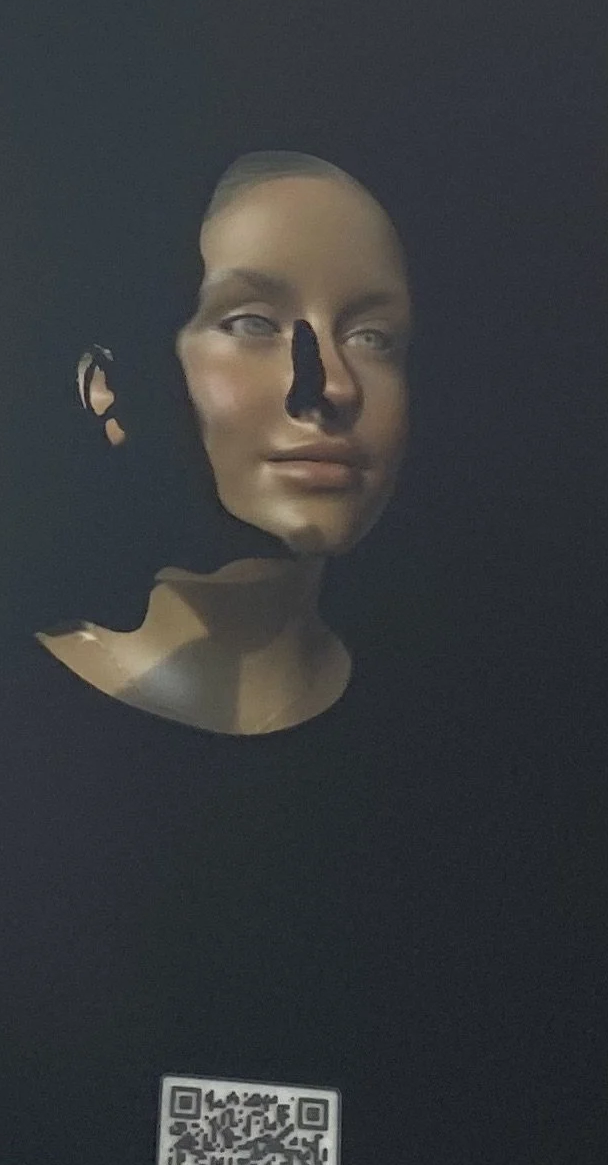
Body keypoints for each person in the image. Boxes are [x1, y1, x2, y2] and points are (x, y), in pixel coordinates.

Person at [37, 150, 412, 737]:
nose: (334, 385)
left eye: (371, 336)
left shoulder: (472, 722)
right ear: (106, 390)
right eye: (252, 324)